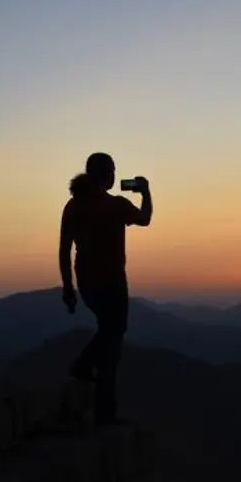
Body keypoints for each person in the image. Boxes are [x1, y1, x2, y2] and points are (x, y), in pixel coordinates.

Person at [59, 152, 152, 426]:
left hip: (86, 283)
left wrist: (68, 287)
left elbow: (64, 250)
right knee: (113, 337)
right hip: (112, 281)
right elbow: (145, 218)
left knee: (111, 334)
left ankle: (102, 406)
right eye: (113, 170)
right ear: (107, 174)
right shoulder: (115, 205)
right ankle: (88, 375)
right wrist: (146, 192)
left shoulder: (73, 206)